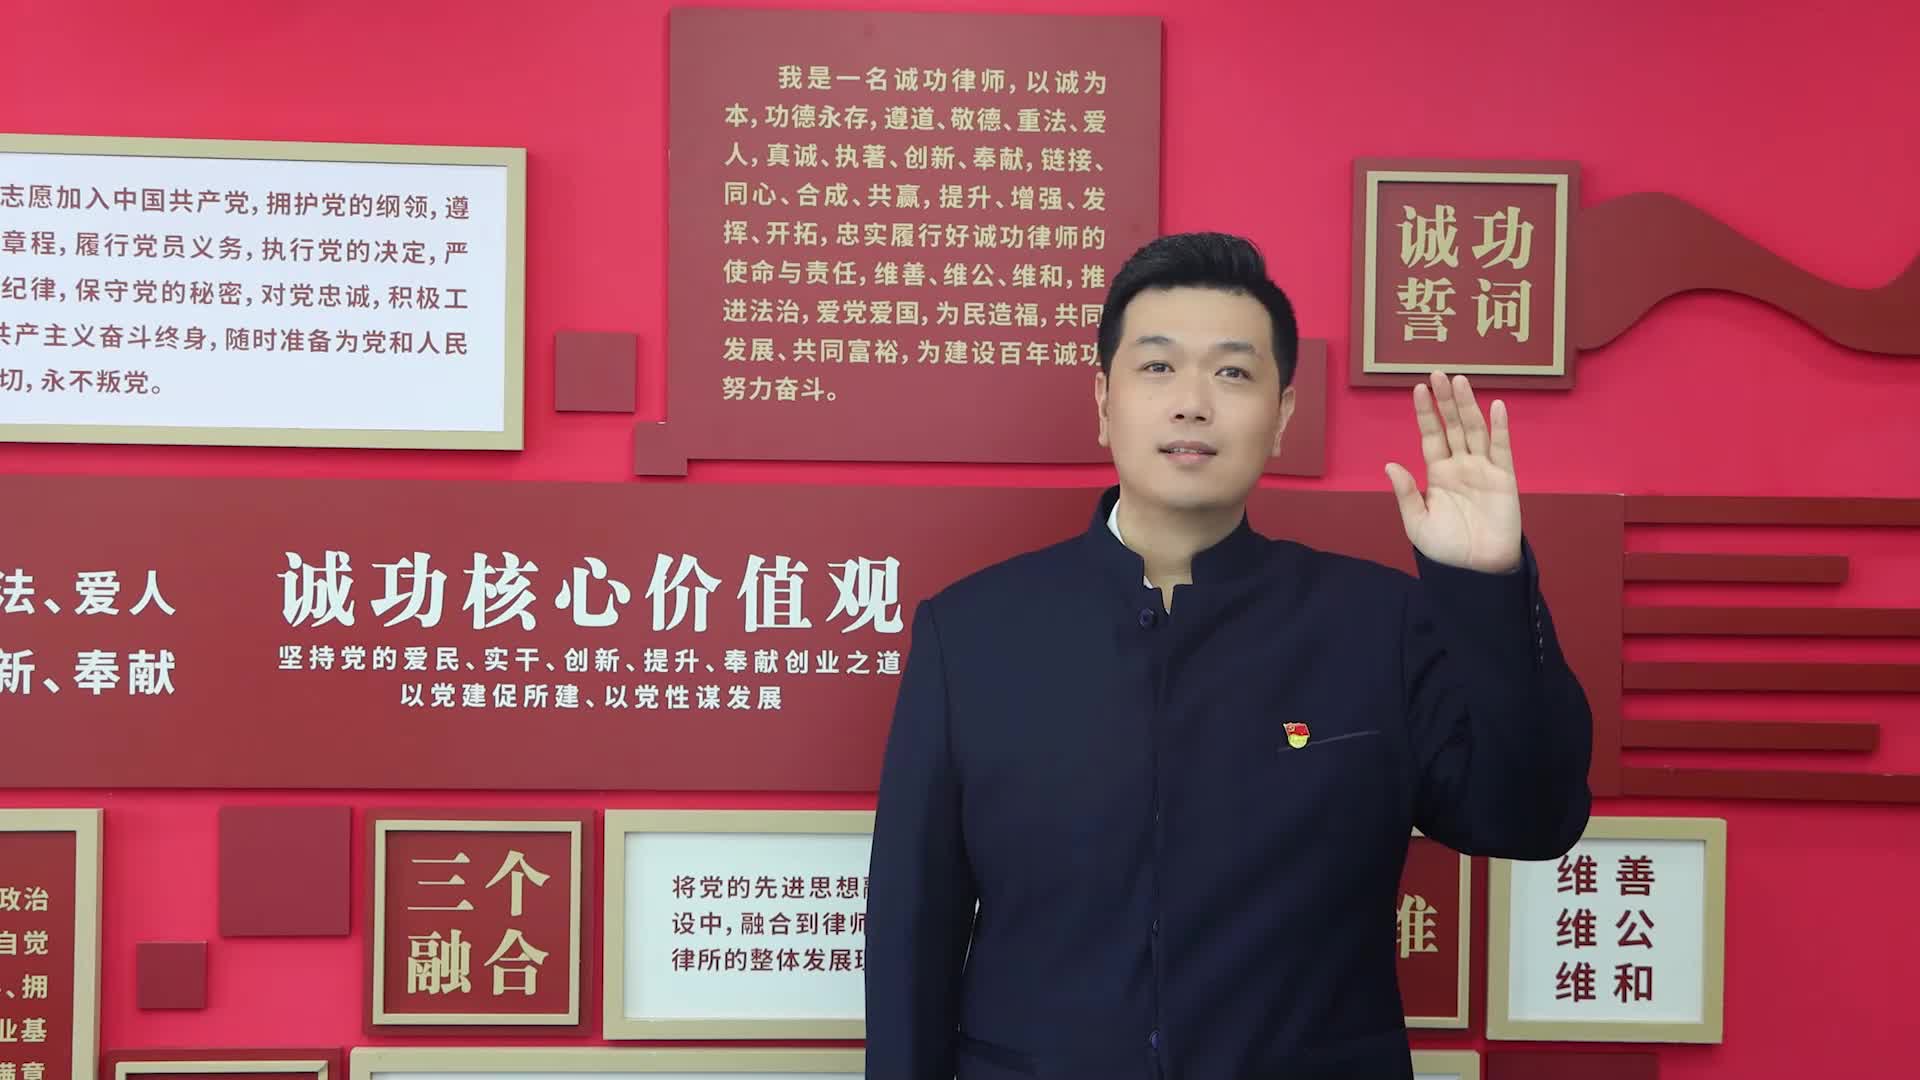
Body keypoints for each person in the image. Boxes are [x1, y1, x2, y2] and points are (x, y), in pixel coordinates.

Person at [864, 232, 1594, 1079]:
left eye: (1234, 373)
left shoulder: (1377, 623)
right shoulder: (973, 633)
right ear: (1103, 401)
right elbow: (913, 931)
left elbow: (1531, 821)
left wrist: (1486, 588)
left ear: (1282, 415)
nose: (1192, 404)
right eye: (1158, 367)